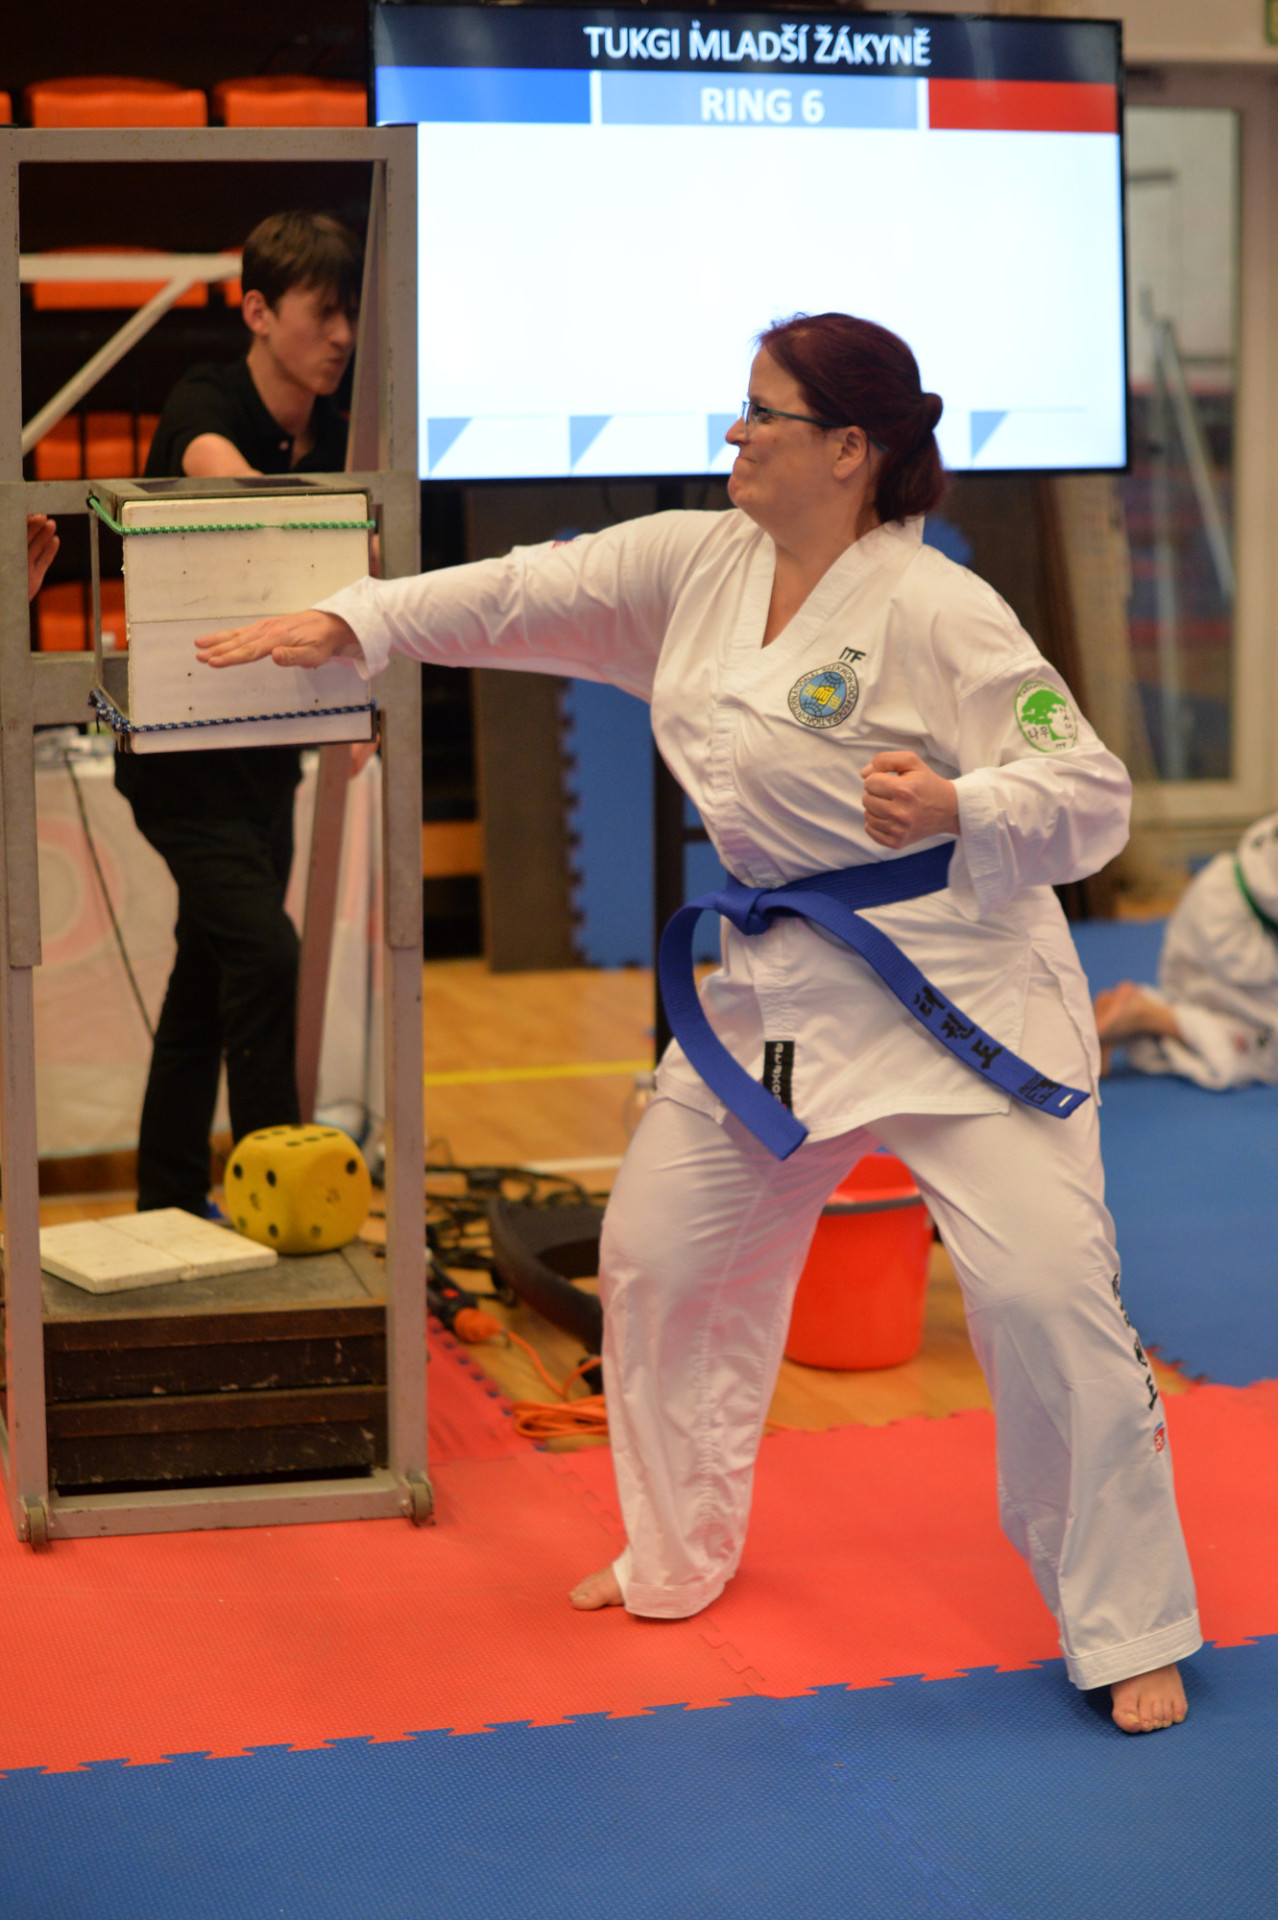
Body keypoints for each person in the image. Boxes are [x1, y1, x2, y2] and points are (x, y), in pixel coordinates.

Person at [195, 312, 1200, 1736]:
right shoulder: (695, 564)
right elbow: (522, 591)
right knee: (657, 1257)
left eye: (762, 413)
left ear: (846, 450)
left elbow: (1090, 796)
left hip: (961, 995)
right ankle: (673, 1551)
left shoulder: (943, 611)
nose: (734, 432)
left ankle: (1129, 1622)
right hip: (781, 989)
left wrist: (962, 803)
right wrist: (357, 620)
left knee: (1046, 1300)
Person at [115, 210, 362, 1215]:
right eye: (324, 312)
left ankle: (168, 1200)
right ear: (258, 312)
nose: (343, 336)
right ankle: (280, 1202)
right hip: (179, 762)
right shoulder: (204, 405)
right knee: (265, 955)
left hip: (268, 753)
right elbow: (260, 511)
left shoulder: (339, 428)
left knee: (205, 979)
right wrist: (349, 550)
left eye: (352, 314)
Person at [1095, 813, 1278, 1085]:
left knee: (1212, 1011)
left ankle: (1150, 1012)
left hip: (1216, 898)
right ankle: (1147, 1015)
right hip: (1231, 932)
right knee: (1268, 1054)